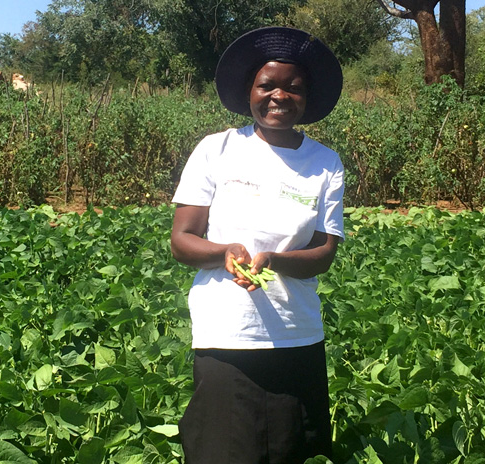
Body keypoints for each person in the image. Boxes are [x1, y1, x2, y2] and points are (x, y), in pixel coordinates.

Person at [170, 26, 344, 464]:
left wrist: (276, 261)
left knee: (293, 450)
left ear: (306, 98)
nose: (279, 96)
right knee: (222, 449)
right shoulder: (218, 149)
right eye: (267, 85)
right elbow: (182, 240)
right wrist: (224, 252)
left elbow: (324, 253)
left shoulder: (325, 162)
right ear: (249, 90)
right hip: (227, 331)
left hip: (296, 332)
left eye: (294, 88)